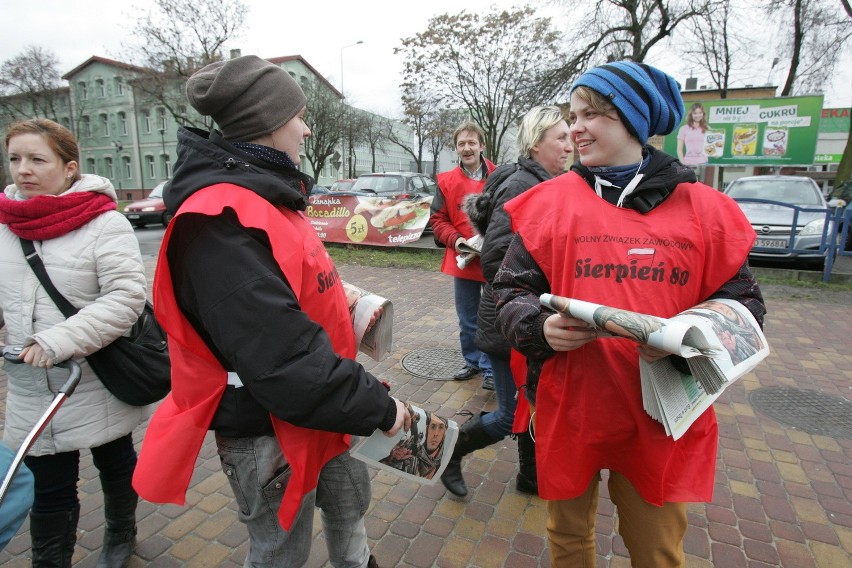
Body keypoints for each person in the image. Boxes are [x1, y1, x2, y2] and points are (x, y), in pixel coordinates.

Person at [130, 55, 410, 568]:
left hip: (325, 408)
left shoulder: (270, 195)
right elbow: (282, 358)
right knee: (281, 552)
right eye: (298, 116)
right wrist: (385, 410)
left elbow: (285, 290)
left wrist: (344, 302)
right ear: (269, 123)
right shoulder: (219, 220)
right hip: (269, 427)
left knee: (351, 516)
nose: (306, 129)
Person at [492, 61, 766, 567]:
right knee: (567, 539)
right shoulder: (549, 203)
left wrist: (692, 335)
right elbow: (510, 291)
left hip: (662, 413)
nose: (576, 127)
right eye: (573, 115)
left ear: (636, 122)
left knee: (656, 549)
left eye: (592, 114)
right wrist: (538, 325)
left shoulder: (704, 209)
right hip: (574, 403)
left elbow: (745, 307)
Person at [0, 118, 149, 567]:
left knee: (115, 460)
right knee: (48, 484)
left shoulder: (104, 224)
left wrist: (58, 340)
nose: (23, 169)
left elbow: (126, 297)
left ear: (69, 168)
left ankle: (122, 533)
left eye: (36, 159)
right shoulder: (5, 225)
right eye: (14, 159)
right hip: (31, 385)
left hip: (95, 374)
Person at [441, 106, 573, 498]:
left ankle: (529, 478)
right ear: (536, 143)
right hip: (509, 321)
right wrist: (533, 299)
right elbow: (498, 259)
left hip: (528, 317)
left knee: (534, 407)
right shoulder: (522, 186)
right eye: (561, 137)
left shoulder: (547, 181)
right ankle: (450, 453)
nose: (571, 144)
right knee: (506, 415)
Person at [430, 120, 496, 387]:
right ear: (456, 148)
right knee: (468, 318)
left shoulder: (501, 176)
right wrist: (456, 241)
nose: (466, 148)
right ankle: (472, 361)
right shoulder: (446, 181)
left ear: (481, 145)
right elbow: (438, 219)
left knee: (492, 318)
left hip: (494, 259)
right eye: (461, 144)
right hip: (463, 259)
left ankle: (491, 369)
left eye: (471, 142)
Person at [380, 411, 447, 479]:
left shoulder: (440, 460)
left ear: (445, 433)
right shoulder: (415, 449)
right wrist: (391, 460)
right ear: (427, 430)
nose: (436, 434)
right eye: (432, 427)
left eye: (441, 428)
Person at [676, 102, 709, 166]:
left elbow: (711, 147)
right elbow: (679, 149)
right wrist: (683, 163)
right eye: (695, 113)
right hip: (688, 163)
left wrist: (716, 153)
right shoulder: (683, 129)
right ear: (691, 114)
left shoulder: (707, 128)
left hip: (703, 163)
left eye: (700, 113)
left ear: (703, 114)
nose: (698, 115)